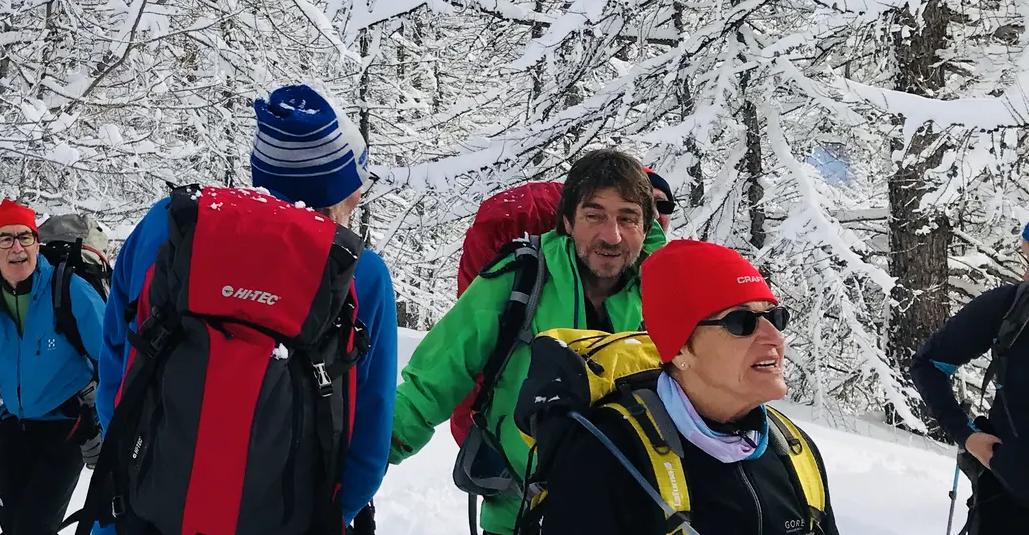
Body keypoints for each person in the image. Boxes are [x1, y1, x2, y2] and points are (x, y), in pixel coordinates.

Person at [95, 84, 397, 534]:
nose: (357, 203)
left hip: (141, 513)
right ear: (334, 194)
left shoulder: (168, 226)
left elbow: (117, 376)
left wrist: (140, 475)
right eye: (355, 191)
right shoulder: (359, 273)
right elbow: (367, 446)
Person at [390, 150, 666, 535]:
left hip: (631, 515)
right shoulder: (520, 280)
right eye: (595, 215)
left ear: (645, 226)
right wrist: (362, 457)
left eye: (627, 218)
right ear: (568, 221)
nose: (611, 235)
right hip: (519, 515)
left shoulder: (666, 295)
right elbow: (434, 379)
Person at [526, 239, 837, 534]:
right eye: (741, 322)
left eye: (775, 316)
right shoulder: (606, 456)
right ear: (680, 351)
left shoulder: (794, 450)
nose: (774, 336)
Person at [0, 199, 106, 535]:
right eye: (5, 239)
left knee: (33, 528)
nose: (17, 248)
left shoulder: (70, 291)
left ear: (36, 243)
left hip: (65, 428)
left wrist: (100, 420)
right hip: (14, 427)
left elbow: (115, 362)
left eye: (25, 237)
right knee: (11, 525)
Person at [910, 222, 1029, 532]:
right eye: (1026, 260)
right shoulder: (1010, 309)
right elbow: (928, 366)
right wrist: (966, 434)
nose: (1026, 276)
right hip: (1004, 505)